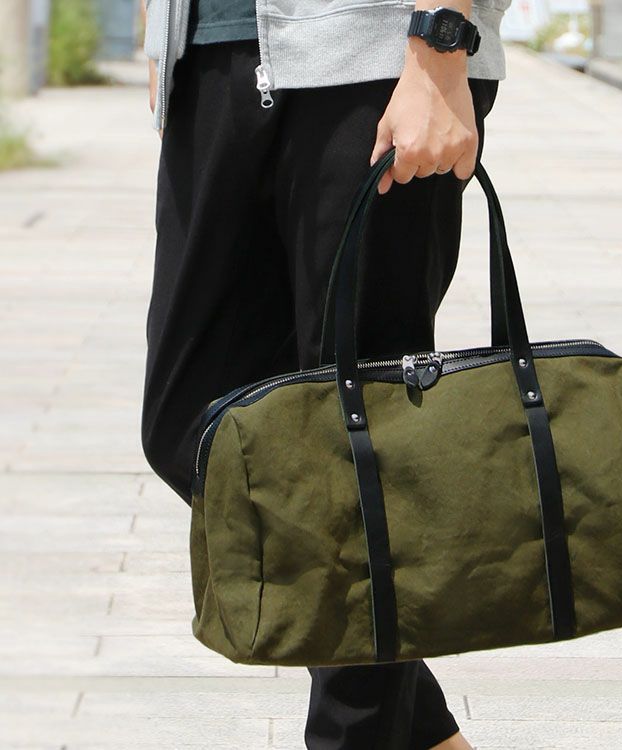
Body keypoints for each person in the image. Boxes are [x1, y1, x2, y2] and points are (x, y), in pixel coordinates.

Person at [139, 0, 511, 747]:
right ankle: (423, 733)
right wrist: (159, 29)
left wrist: (441, 40)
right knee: (191, 424)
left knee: (362, 439)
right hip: (212, 50)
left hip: (377, 57)